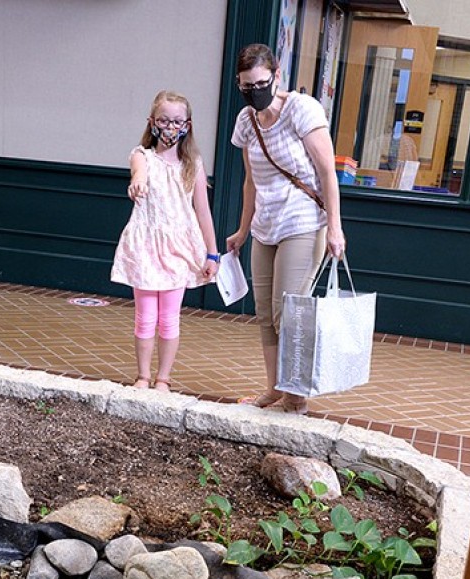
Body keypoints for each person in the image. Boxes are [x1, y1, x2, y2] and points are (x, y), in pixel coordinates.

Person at [227, 43, 346, 413]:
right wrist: (243, 230)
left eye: (261, 83)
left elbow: (328, 172)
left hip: (303, 221)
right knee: (265, 312)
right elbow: (251, 182)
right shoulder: (246, 121)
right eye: (247, 87)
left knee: (289, 310)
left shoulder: (302, 109)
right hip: (266, 224)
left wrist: (336, 229)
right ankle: (275, 387)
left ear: (276, 76)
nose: (254, 92)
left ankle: (296, 394)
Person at [111, 90, 219, 392]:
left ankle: (163, 378)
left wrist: (212, 254)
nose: (171, 127)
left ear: (188, 124)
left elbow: (203, 212)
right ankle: (143, 376)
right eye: (164, 120)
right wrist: (138, 183)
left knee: (169, 318)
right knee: (145, 317)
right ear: (152, 122)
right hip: (146, 246)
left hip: (177, 249)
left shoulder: (192, 164)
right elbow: (139, 174)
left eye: (177, 121)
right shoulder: (142, 155)